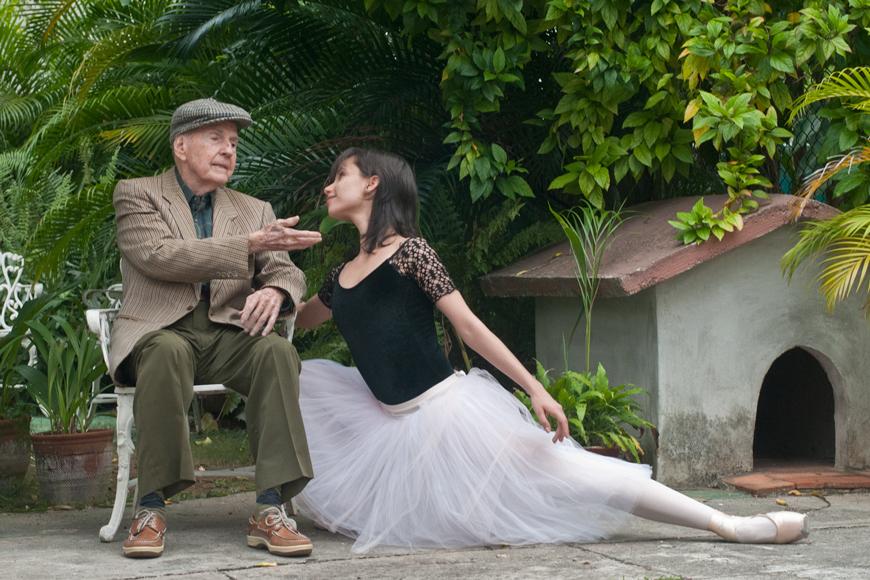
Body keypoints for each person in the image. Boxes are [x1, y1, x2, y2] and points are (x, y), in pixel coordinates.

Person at [291, 147, 809, 554]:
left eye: (341, 175)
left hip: (445, 413)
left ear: (373, 183)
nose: (329, 185)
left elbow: (470, 328)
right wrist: (272, 280)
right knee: (298, 382)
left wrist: (535, 388)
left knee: (573, 472)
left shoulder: (412, 252)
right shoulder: (341, 276)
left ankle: (730, 524)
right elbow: (294, 316)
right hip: (387, 423)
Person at [110, 98, 322, 559]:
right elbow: (160, 256)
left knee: (277, 354)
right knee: (166, 353)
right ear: (181, 145)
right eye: (216, 139)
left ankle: (271, 508)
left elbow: (286, 270)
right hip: (161, 329)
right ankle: (150, 508)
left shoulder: (254, 208)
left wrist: (278, 293)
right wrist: (248, 246)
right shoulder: (137, 193)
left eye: (233, 142)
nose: (229, 150)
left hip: (230, 331)